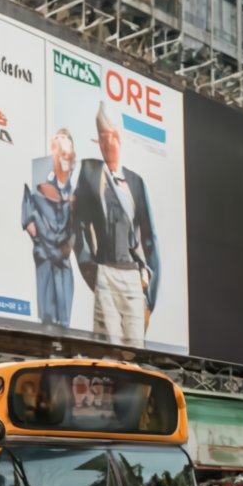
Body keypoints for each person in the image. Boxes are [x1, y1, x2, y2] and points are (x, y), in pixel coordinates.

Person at [73, 101, 160, 348]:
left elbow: (150, 238)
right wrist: (90, 268)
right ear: (98, 142)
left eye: (112, 137)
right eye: (103, 139)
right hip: (105, 270)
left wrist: (150, 291)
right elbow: (77, 224)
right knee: (108, 347)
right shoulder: (89, 173)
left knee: (135, 348)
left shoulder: (136, 182)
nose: (108, 144)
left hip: (132, 274)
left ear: (119, 139)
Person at [22, 128, 78, 327]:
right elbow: (28, 217)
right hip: (45, 257)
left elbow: (78, 226)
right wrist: (42, 240)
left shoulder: (75, 190)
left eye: (66, 150)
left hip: (63, 262)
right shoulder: (38, 180)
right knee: (46, 321)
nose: (63, 155)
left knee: (64, 321)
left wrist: (66, 246)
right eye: (58, 147)